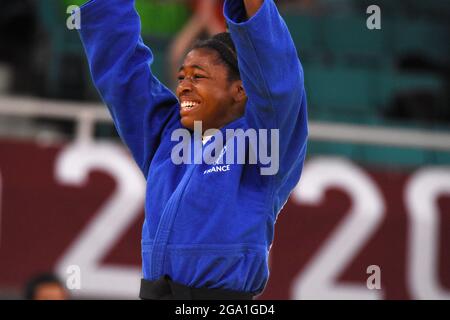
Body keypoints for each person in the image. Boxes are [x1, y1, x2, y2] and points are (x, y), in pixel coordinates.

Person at [76, 0, 308, 299]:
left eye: (198, 77)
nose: (184, 86)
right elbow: (120, 71)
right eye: (182, 76)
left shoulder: (264, 144)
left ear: (240, 90)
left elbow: (277, 77)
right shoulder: (165, 135)